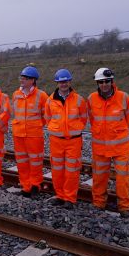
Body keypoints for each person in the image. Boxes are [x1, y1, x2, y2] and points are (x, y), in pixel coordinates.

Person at [88, 67, 129, 217]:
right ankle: (98, 203)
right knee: (99, 176)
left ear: (112, 81)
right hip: (100, 146)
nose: (104, 84)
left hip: (120, 146)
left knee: (122, 177)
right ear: (97, 83)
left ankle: (124, 207)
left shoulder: (123, 97)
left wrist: (116, 132)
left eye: (107, 81)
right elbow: (91, 119)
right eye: (101, 82)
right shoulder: (91, 99)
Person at [44, 69, 88, 208]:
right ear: (57, 83)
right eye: (61, 82)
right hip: (56, 141)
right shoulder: (50, 100)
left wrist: (74, 130)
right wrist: (56, 129)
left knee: (72, 171)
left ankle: (70, 198)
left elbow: (83, 118)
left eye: (66, 81)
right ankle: (60, 196)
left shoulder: (79, 100)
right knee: (57, 170)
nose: (63, 84)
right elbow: (48, 118)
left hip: (73, 141)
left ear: (70, 82)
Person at [11, 66, 48, 198]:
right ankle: (25, 187)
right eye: (22, 77)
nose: (22, 80)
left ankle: (35, 187)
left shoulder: (41, 95)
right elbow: (15, 113)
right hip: (18, 134)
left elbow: (47, 116)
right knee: (22, 162)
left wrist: (36, 125)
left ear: (33, 80)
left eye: (25, 78)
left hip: (34, 135)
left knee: (36, 162)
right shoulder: (16, 95)